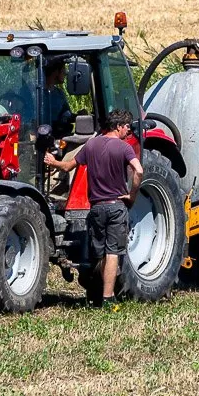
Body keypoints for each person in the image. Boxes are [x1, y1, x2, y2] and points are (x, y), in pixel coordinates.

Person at [46, 108, 144, 305]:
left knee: (98, 254)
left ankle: (95, 293)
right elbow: (139, 171)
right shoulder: (124, 148)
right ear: (118, 126)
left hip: (96, 208)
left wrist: (52, 161)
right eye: (127, 127)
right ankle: (108, 298)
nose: (128, 131)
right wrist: (131, 195)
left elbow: (67, 167)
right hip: (116, 206)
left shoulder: (90, 145)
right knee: (113, 252)